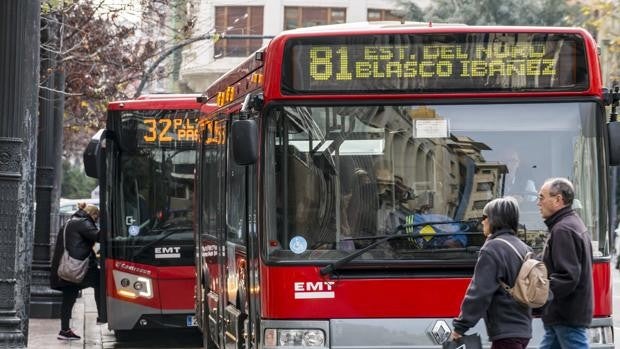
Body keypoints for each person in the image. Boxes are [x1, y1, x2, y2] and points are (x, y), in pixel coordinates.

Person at [451, 197, 532, 349]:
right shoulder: (524, 248)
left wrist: (460, 327)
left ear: (495, 219)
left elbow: (479, 292)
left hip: (506, 332)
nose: (482, 221)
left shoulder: (492, 249)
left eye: (484, 217)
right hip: (523, 330)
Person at [536, 178, 593, 349]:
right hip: (563, 314)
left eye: (542, 197)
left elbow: (567, 277)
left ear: (558, 200)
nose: (538, 203)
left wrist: (539, 294)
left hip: (566, 315)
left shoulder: (563, 229)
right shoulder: (569, 224)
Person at [50, 202, 103, 340]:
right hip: (80, 267)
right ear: (94, 214)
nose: (97, 220)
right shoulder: (83, 222)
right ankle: (102, 315)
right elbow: (98, 237)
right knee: (100, 282)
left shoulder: (71, 221)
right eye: (97, 217)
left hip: (68, 268)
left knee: (68, 299)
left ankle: (64, 330)